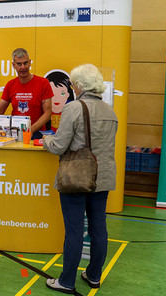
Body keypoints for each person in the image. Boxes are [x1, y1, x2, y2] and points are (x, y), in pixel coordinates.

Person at [42, 64, 118, 294]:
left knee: (74, 231)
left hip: (77, 177)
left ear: (81, 86)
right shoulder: (109, 111)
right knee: (99, 229)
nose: (72, 87)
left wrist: (45, 140)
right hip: (102, 178)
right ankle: (94, 275)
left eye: (74, 83)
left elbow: (58, 146)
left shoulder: (74, 108)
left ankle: (66, 281)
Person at [0, 48, 53, 139]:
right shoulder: (10, 85)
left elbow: (48, 113)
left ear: (30, 62)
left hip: (37, 134)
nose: (23, 67)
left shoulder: (43, 83)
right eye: (19, 64)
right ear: (13, 65)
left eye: (25, 63)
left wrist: (30, 130)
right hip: (15, 135)